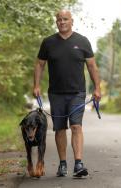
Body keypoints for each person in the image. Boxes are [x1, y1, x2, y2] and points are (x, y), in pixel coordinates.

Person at [33, 9, 101, 177]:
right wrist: (36, 85)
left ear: (72, 21)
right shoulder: (48, 42)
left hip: (77, 92)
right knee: (60, 129)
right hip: (56, 93)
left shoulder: (82, 41)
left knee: (76, 126)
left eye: (65, 19)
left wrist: (97, 88)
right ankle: (62, 164)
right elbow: (40, 64)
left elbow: (92, 66)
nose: (62, 22)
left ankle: (78, 164)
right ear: (56, 22)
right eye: (59, 20)